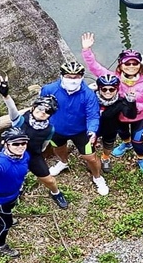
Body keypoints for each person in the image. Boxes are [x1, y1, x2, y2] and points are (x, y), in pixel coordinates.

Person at [81, 32, 143, 175]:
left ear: (140, 65)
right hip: (119, 117)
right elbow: (94, 67)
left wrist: (133, 104)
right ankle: (126, 144)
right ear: (121, 65)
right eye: (127, 63)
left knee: (138, 141)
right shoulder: (113, 78)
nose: (131, 66)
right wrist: (86, 50)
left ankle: (141, 159)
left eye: (135, 63)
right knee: (122, 133)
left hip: (139, 118)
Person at [0, 76, 67, 209]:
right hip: (12, 154)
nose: (42, 113)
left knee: (49, 179)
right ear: (33, 108)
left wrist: (36, 155)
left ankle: (56, 192)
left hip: (33, 154)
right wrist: (6, 96)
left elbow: (44, 145)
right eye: (39, 109)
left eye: (47, 112)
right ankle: (16, 189)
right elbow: (12, 110)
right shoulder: (21, 120)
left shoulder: (49, 129)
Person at [41, 60, 109, 196]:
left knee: (90, 157)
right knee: (58, 148)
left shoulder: (88, 94)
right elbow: (41, 107)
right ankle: (63, 162)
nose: (72, 80)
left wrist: (92, 131)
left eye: (76, 77)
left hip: (81, 132)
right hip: (56, 130)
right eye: (69, 77)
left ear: (82, 77)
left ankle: (97, 177)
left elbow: (93, 116)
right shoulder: (49, 89)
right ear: (61, 76)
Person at [0, 128, 31, 257]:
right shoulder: (1, 163)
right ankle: (0, 245)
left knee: (9, 208)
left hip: (13, 192)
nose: (21, 147)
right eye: (15, 144)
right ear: (6, 144)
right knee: (7, 223)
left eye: (23, 143)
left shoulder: (24, 156)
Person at [93, 73, 138, 173]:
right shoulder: (91, 98)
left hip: (110, 128)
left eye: (111, 89)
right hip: (92, 129)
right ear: (99, 89)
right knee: (90, 145)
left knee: (108, 145)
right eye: (104, 89)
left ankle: (105, 158)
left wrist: (131, 102)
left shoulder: (120, 101)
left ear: (117, 89)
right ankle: (93, 159)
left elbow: (131, 115)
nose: (108, 92)